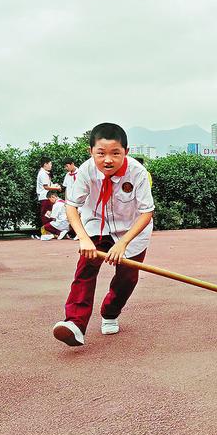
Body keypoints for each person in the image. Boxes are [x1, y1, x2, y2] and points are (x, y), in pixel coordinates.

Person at [52, 122, 155, 347]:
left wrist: (123, 244)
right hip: (96, 224)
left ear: (126, 152)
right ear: (91, 152)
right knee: (86, 269)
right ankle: (75, 323)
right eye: (101, 153)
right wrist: (83, 238)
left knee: (127, 278)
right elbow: (71, 206)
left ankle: (110, 312)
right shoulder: (86, 170)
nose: (107, 159)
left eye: (115, 153)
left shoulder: (137, 173)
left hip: (132, 230)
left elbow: (147, 212)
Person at [36, 157, 61, 234]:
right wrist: (57, 188)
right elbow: (46, 187)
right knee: (46, 215)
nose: (51, 165)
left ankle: (48, 232)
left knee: (48, 214)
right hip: (45, 197)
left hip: (46, 197)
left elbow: (48, 185)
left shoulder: (44, 173)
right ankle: (47, 232)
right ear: (45, 164)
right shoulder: (43, 174)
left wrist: (55, 185)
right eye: (50, 164)